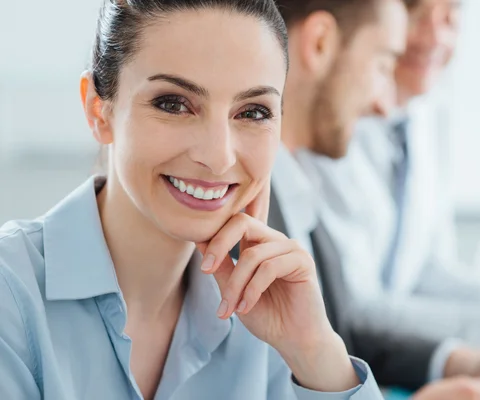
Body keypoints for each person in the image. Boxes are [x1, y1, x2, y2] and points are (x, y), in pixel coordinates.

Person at [0, 1, 385, 399]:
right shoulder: (11, 298)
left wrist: (316, 354)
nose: (219, 157)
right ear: (99, 110)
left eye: (253, 112)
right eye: (173, 104)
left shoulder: (262, 318)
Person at [262, 0, 480, 398]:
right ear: (319, 44)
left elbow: (339, 329)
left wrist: (461, 361)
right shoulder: (251, 206)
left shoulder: (295, 191)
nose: (385, 105)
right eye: (384, 64)